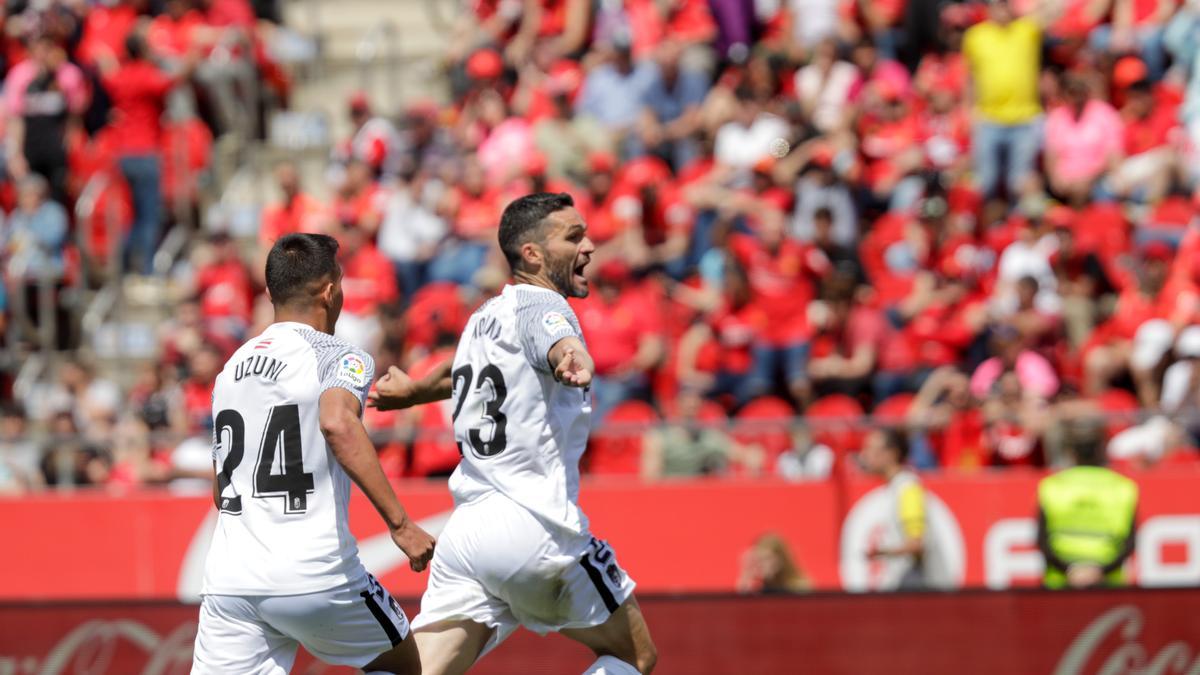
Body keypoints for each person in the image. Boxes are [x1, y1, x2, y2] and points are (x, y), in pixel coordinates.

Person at [372, 193, 657, 674]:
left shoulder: (485, 317)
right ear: (533, 255)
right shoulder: (545, 306)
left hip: (467, 530)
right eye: (573, 236)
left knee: (421, 670)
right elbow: (554, 336)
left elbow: (461, 369)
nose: (589, 246)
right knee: (635, 654)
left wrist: (416, 390)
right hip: (534, 525)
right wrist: (572, 356)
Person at [191, 233, 436, 674]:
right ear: (330, 290)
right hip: (314, 573)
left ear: (269, 293)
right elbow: (338, 422)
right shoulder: (341, 356)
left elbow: (220, 487)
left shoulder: (230, 370)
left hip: (230, 581)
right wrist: (400, 525)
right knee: (404, 666)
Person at [1037, 418, 1139, 589]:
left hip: (1060, 585)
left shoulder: (1051, 486)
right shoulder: (1124, 487)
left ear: (1071, 453)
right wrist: (1099, 571)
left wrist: (1071, 570)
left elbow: (1042, 541)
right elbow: (1130, 544)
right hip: (1108, 586)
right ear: (1102, 450)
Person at [859, 428, 953, 590]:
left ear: (892, 454)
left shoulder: (907, 488)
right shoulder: (898, 487)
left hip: (920, 588)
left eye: (872, 449)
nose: (864, 455)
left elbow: (917, 544)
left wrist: (881, 552)